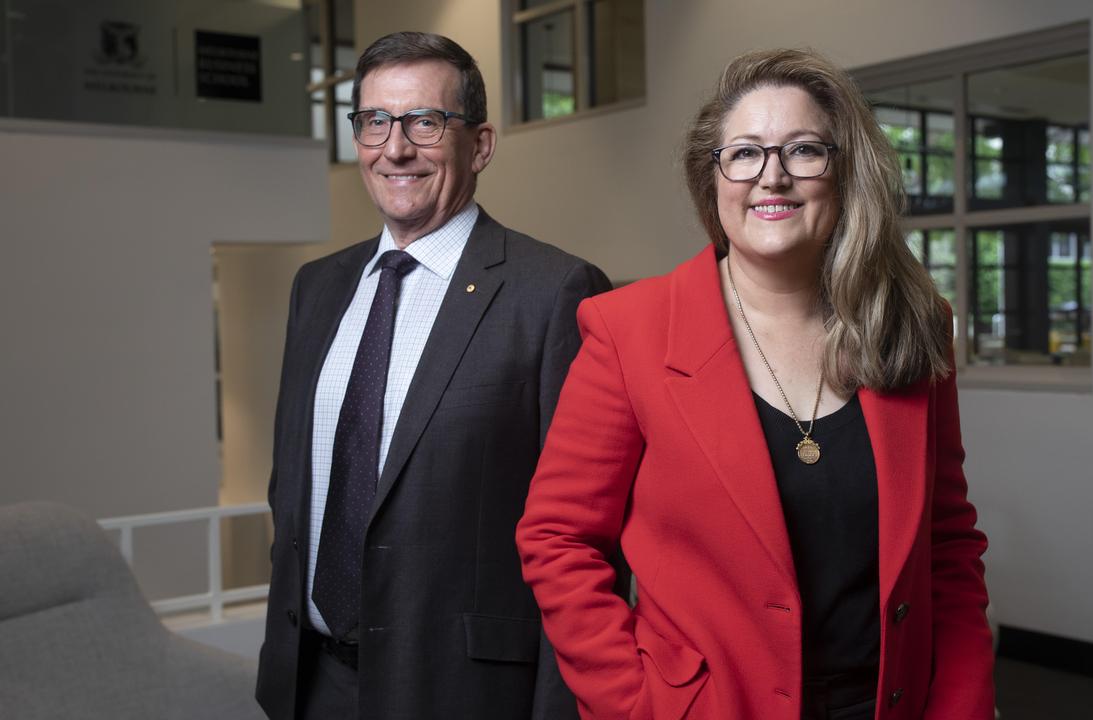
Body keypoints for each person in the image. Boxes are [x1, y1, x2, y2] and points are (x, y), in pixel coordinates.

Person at [516, 48, 994, 720]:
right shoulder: (629, 331)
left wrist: (964, 707)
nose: (772, 177)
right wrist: (635, 704)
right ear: (713, 179)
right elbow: (557, 538)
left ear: (846, 170)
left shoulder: (913, 323)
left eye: (803, 151)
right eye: (744, 154)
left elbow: (947, 544)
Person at [255, 31, 610, 720]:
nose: (395, 148)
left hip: (464, 692)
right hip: (313, 685)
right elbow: (291, 488)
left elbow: (584, 537)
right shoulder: (318, 287)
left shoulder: (554, 292)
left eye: (425, 121)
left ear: (479, 145)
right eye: (374, 122)